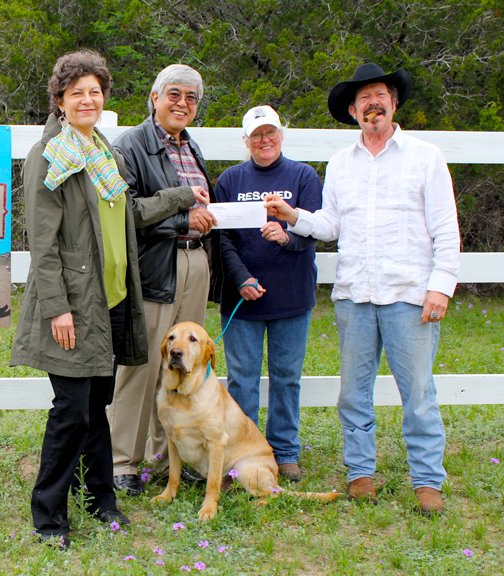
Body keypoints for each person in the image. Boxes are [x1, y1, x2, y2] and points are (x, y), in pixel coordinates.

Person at [10, 50, 209, 548]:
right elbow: (43, 240)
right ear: (60, 99)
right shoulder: (51, 156)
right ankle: (49, 516)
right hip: (74, 305)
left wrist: (181, 195)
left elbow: (130, 212)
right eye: (77, 92)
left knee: (97, 405)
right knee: (71, 410)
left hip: (114, 300)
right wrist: (58, 307)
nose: (87, 99)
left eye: (95, 91)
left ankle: (101, 500)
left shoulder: (102, 152)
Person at [264, 63, 460, 515]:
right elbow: (331, 224)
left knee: (419, 395)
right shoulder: (340, 163)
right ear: (353, 111)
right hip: (355, 295)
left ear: (393, 102)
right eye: (364, 98)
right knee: (353, 393)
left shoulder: (424, 157)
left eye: (380, 95)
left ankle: (427, 481)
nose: (373, 103)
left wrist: (441, 287)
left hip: (409, 294)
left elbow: (446, 229)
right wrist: (294, 218)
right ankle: (360, 474)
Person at [107, 64, 219, 496]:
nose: (182, 104)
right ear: (154, 98)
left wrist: (204, 222)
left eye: (191, 98)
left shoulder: (192, 149)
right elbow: (126, 211)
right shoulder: (130, 146)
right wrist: (182, 217)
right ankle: (122, 462)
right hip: (155, 265)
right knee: (142, 366)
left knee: (183, 366)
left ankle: (169, 454)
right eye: (174, 94)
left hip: (195, 263)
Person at [215, 105, 323, 483]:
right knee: (242, 378)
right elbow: (222, 238)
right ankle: (241, 451)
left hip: (292, 295)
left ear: (282, 135)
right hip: (243, 297)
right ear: (246, 140)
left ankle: (285, 450)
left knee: (286, 376)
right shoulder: (230, 179)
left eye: (271, 133)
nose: (265, 140)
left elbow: (317, 228)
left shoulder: (303, 176)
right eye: (257, 135)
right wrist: (241, 277)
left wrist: (288, 237)